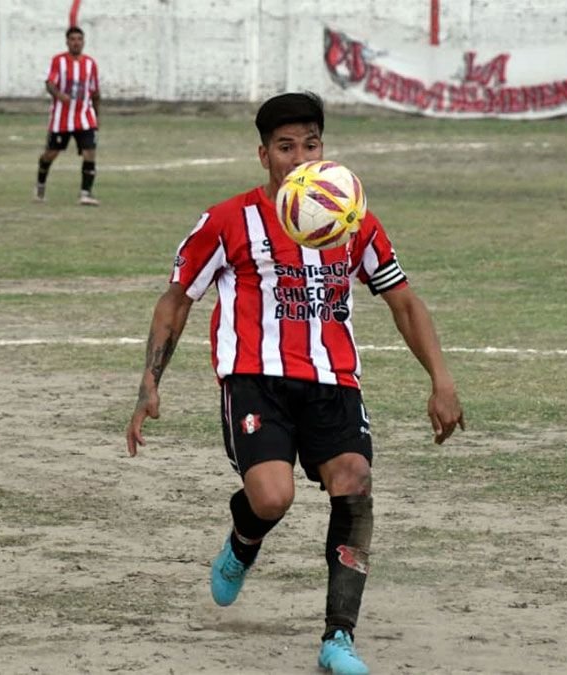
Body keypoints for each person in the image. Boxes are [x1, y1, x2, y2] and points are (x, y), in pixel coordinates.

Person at [125, 92, 464, 675]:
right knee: (271, 497)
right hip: (255, 381)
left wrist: (442, 378)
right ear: (264, 156)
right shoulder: (229, 220)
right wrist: (149, 383)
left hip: (334, 381)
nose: (300, 158)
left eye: (311, 145)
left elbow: (404, 301)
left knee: (354, 480)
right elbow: (176, 301)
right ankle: (242, 542)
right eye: (286, 147)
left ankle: (339, 639)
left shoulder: (352, 219)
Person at [34, 26, 100, 206]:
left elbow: (95, 92)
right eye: (73, 39)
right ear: (67, 42)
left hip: (85, 117)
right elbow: (49, 83)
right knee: (50, 154)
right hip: (61, 119)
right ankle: (40, 185)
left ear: (83, 42)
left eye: (79, 39)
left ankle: (85, 193)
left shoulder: (90, 64)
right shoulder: (59, 61)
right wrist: (59, 95)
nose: (76, 42)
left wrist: (97, 117)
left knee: (89, 153)